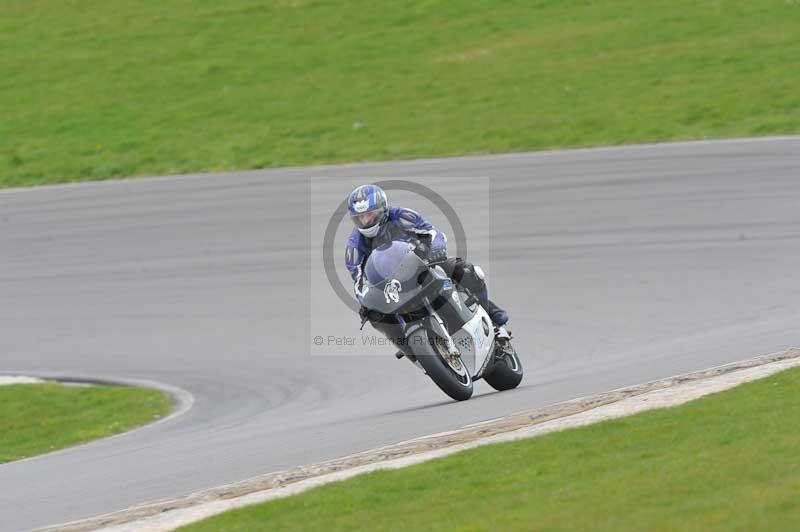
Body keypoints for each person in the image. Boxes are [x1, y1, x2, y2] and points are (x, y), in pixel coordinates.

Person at [344, 184, 510, 358]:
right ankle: (412, 349)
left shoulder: (401, 216)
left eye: (369, 215)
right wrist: (365, 299)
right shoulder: (354, 246)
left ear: (383, 209)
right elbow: (359, 281)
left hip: (423, 264)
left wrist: (436, 250)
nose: (365, 222)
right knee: (375, 316)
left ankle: (493, 323)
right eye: (359, 218)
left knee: (466, 270)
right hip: (392, 286)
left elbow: (433, 232)